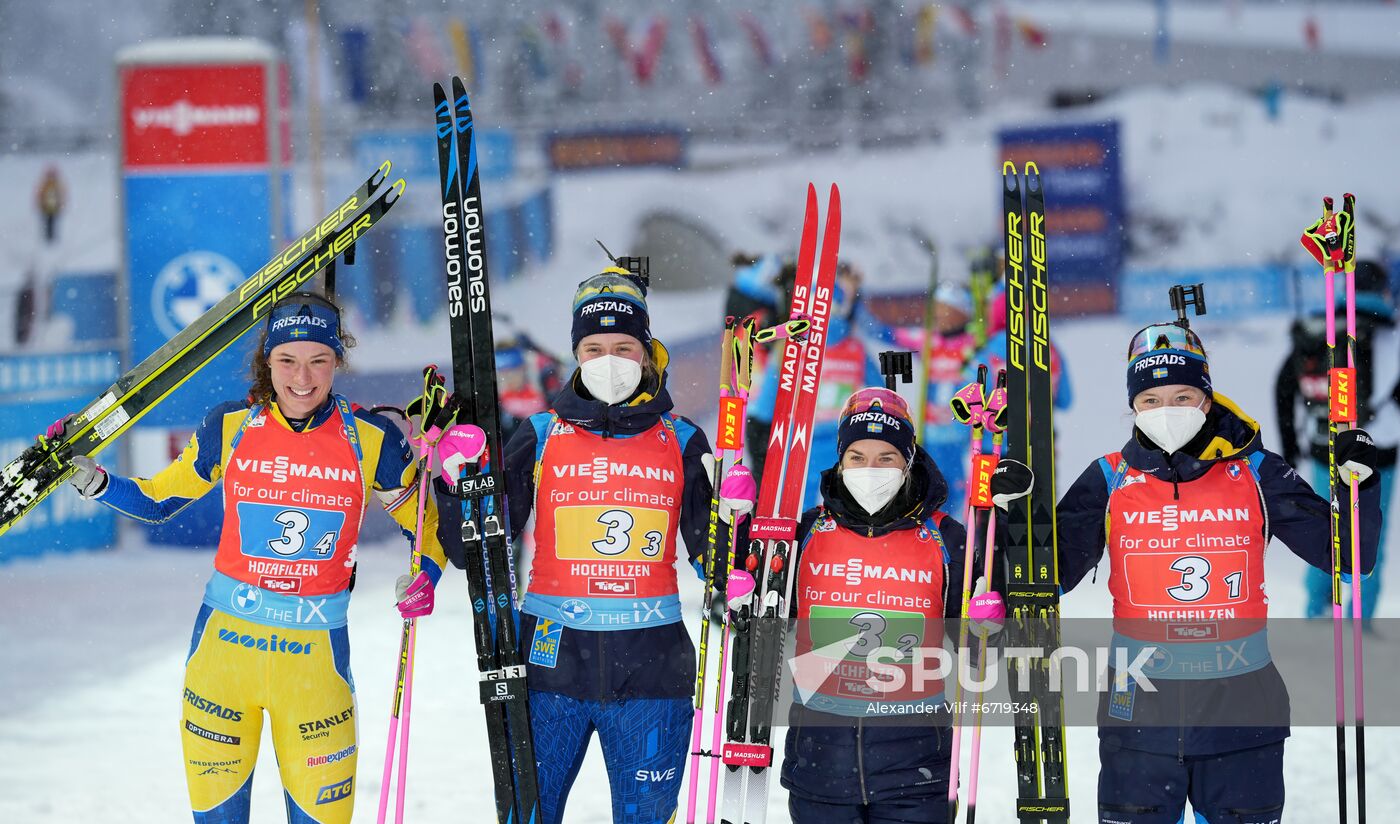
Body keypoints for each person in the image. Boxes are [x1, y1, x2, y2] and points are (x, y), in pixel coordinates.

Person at [60, 291, 446, 822]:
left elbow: (426, 528)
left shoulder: (371, 438)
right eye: (287, 360)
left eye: (318, 360)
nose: (302, 378)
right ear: (267, 360)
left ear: (338, 361)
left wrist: (425, 577)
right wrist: (98, 483)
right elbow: (159, 500)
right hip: (223, 662)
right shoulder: (230, 426)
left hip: (315, 670)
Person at [993, 319, 1382, 823]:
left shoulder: (1257, 472)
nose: (1167, 410)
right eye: (1150, 400)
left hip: (1243, 709)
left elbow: (1349, 558)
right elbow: (1040, 583)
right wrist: (1014, 517)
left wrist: (1359, 483)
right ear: (1133, 407)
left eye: (1182, 397)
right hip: (1138, 714)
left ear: (1206, 398)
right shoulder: (1109, 478)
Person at [439, 268, 718, 824]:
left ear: (646, 353)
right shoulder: (541, 434)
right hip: (550, 664)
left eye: (623, 347)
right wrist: (456, 483)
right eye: (594, 349)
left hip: (652, 668)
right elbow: (473, 549)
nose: (608, 360)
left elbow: (718, 560)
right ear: (576, 355)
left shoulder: (682, 438)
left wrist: (737, 522)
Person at [776, 386, 999, 824]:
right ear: (840, 461)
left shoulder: (947, 539)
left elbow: (981, 651)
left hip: (917, 773)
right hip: (820, 767)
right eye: (857, 457)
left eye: (886, 458)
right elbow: (753, 617)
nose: (870, 470)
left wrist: (989, 619)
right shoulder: (804, 534)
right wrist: (732, 523)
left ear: (907, 461)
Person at [1275, 259, 1398, 626]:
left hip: (1325, 447)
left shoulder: (1323, 328)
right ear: (1383, 290)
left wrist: (1290, 444)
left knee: (1326, 529)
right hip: (1378, 453)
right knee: (1368, 533)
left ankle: (1316, 610)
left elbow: (1284, 386)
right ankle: (1361, 618)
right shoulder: (1390, 332)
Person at [748, 260, 883, 507]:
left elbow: (766, 407)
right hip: (844, 442)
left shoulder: (790, 347)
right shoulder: (855, 348)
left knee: (798, 510)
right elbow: (881, 396)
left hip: (798, 441)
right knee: (843, 511)